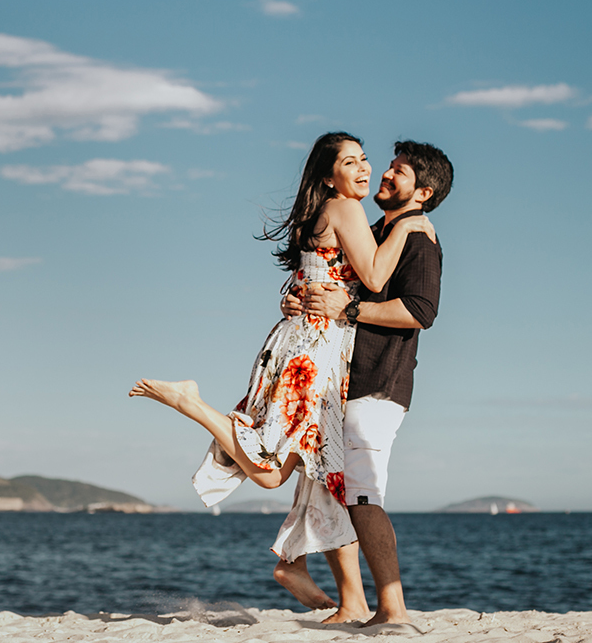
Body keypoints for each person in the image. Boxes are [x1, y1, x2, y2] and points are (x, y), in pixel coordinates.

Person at [129, 132, 435, 615]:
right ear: (328, 174)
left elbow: (317, 276)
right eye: (350, 161)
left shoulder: (332, 212)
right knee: (277, 473)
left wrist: (299, 296)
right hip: (312, 356)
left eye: (365, 160)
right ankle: (191, 401)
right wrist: (410, 225)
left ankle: (330, 589)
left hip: (302, 344)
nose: (364, 169)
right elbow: (375, 278)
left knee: (326, 472)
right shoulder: (347, 209)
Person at [280, 140, 453, 626]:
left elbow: (419, 311)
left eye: (398, 172)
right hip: (341, 381)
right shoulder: (374, 230)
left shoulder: (418, 238)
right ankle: (352, 602)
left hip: (377, 384)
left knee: (361, 495)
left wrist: (349, 308)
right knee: (331, 485)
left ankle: (392, 609)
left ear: (425, 191)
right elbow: (331, 277)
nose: (384, 174)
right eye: (389, 166)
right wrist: (298, 301)